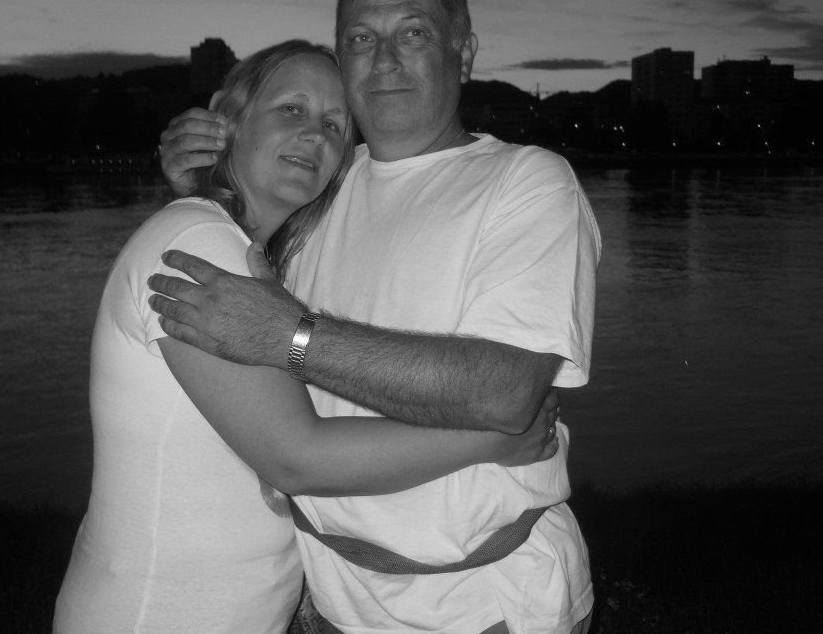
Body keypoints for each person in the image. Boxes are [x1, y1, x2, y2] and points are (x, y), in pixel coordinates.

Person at [152, 0, 602, 634]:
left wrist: (290, 336)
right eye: (361, 38)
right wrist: (205, 184)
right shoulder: (319, 183)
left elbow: (507, 393)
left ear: (463, 53)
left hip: (483, 606)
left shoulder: (528, 182)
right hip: (325, 600)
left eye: (413, 33)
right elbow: (233, 288)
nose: (384, 59)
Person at [53, 39, 562, 634]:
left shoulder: (256, 260)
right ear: (227, 118)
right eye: (291, 109)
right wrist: (492, 440)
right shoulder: (198, 244)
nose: (314, 135)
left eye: (334, 125)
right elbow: (296, 457)